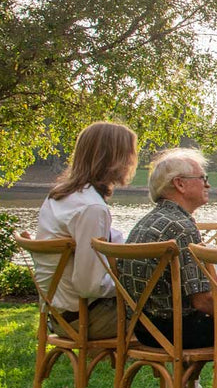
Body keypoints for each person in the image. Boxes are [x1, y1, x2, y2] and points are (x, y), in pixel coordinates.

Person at [30, 121, 138, 339]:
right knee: (174, 319)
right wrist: (129, 285)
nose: (131, 161)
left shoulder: (60, 196)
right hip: (87, 320)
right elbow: (89, 285)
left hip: (60, 316)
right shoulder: (92, 207)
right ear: (113, 158)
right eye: (128, 154)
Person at [123, 149, 217, 350]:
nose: (208, 184)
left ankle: (190, 382)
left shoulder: (146, 222)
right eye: (202, 178)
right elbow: (203, 301)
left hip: (142, 330)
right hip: (175, 331)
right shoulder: (181, 227)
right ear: (180, 184)